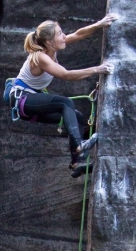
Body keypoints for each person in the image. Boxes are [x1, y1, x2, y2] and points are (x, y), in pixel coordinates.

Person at [13, 14, 117, 174]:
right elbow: (66, 75)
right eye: (60, 34)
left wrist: (100, 24)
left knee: (78, 118)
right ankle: (79, 146)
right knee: (65, 103)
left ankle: (76, 163)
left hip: (30, 102)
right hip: (23, 100)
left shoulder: (52, 48)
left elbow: (78, 34)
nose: (64, 36)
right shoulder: (40, 57)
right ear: (49, 41)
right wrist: (98, 69)